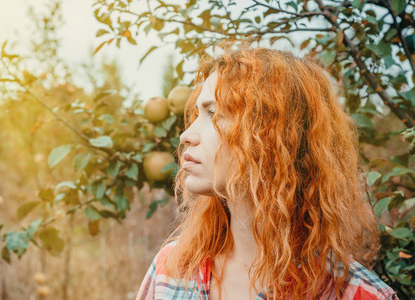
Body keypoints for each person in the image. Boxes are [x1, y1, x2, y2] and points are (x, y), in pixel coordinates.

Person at [136, 40, 399, 300]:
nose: (185, 135)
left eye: (213, 113)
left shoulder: (357, 294)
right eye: (197, 115)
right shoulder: (170, 271)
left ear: (274, 137)